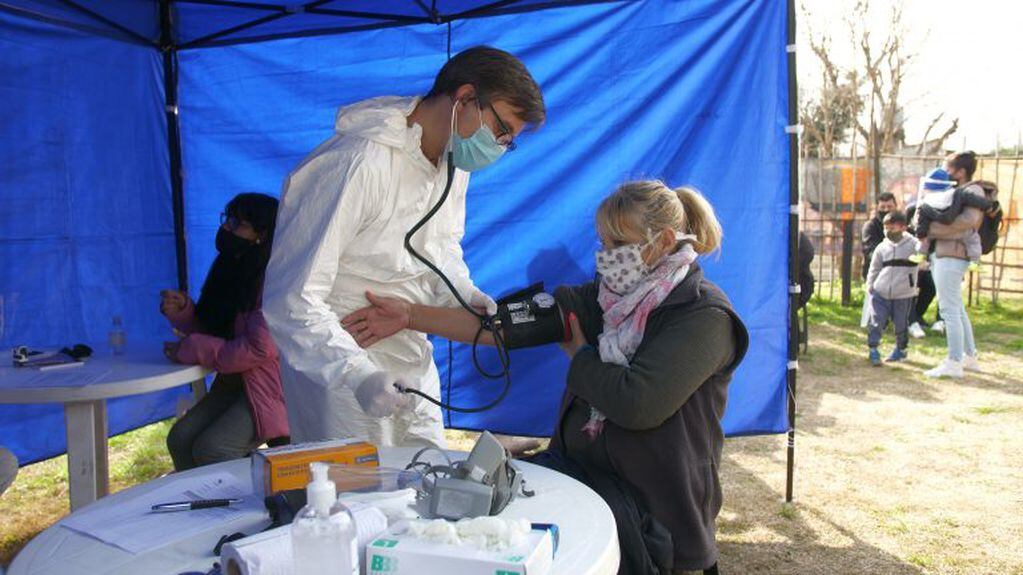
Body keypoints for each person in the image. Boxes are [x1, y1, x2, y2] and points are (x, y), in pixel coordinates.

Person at [342, 181, 748, 575]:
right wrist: (411, 315)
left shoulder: (704, 319)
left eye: (618, 245)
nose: (605, 257)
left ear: (662, 242)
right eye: (602, 242)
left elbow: (637, 404)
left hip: (657, 507)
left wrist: (581, 358)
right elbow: (501, 326)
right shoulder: (605, 300)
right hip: (581, 475)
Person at [262, 46, 545, 447]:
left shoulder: (452, 165)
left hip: (410, 357)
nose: (499, 146)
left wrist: (462, 294)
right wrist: (358, 375)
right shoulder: (357, 163)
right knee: (354, 503)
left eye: (508, 141)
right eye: (501, 130)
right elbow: (291, 299)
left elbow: (440, 247)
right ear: (464, 98)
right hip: (342, 363)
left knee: (426, 485)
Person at [162, 193, 289, 471]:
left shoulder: (273, 278)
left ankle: (243, 509)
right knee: (180, 439)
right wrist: (185, 313)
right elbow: (216, 333)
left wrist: (191, 347)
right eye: (226, 219)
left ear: (262, 234)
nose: (226, 229)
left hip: (272, 385)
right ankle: (200, 509)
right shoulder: (232, 267)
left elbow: (260, 348)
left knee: (213, 449)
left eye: (237, 223)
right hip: (235, 380)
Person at [923, 152, 984, 378]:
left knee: (948, 309)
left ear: (960, 171)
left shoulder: (971, 191)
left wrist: (931, 229)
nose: (946, 172)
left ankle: (954, 361)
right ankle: (968, 355)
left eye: (948, 167)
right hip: (947, 253)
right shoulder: (960, 191)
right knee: (956, 308)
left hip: (953, 255)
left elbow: (967, 223)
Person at [865, 211, 919, 366]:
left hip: (903, 293)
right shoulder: (882, 248)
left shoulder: (913, 244)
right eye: (886, 228)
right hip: (880, 292)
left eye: (892, 228)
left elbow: (924, 252)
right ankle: (873, 348)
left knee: (901, 323)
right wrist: (870, 285)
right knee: (877, 321)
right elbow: (874, 268)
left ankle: (901, 349)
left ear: (903, 227)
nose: (888, 232)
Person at [861, 192, 898, 280]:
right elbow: (870, 250)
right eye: (882, 207)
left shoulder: (903, 226)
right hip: (876, 274)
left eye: (889, 207)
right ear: (877, 208)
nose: (886, 210)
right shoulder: (870, 226)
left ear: (895, 207)